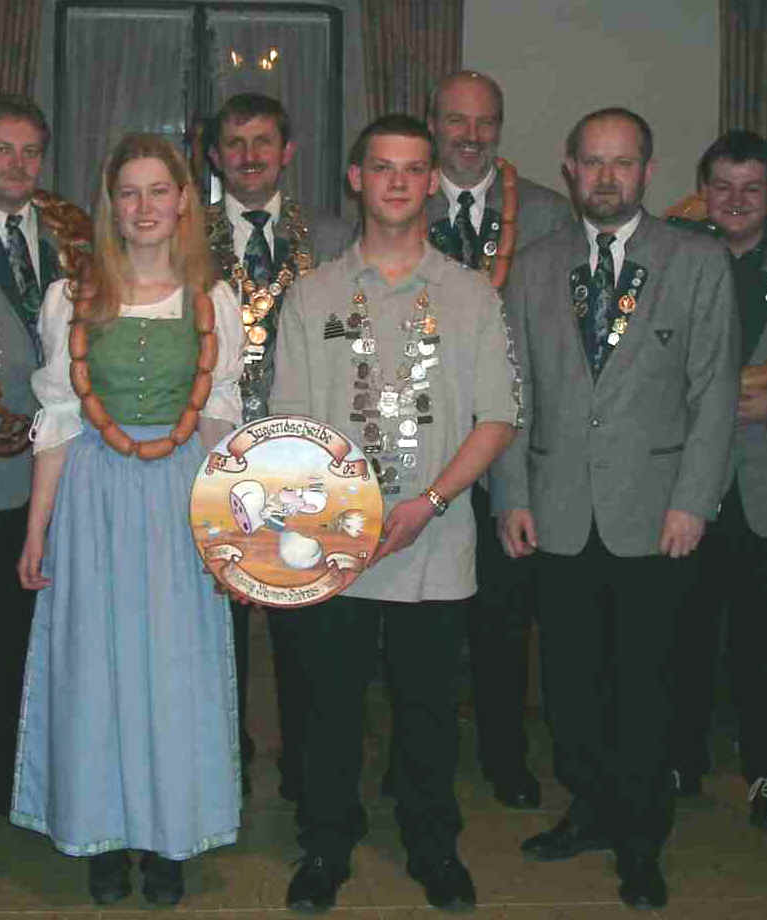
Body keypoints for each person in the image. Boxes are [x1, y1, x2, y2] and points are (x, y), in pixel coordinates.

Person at [270, 114, 521, 913]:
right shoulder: (311, 294)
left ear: (431, 183)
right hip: (332, 542)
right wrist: (340, 520)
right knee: (328, 709)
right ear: (356, 178)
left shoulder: (471, 294)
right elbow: (291, 425)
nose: (399, 182)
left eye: (414, 168)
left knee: (428, 712)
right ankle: (325, 843)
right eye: (383, 167)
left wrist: (430, 503)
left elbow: (498, 416)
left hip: (434, 538)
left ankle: (432, 843)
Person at [493, 107, 739, 910]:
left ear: (648, 170)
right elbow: (514, 393)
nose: (606, 177)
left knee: (644, 689)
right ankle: (591, 808)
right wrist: (512, 495)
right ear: (569, 168)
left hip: (656, 516)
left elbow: (714, 393)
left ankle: (641, 839)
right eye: (592, 162)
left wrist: (694, 501)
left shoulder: (696, 261)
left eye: (622, 162)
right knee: (570, 686)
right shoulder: (533, 266)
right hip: (558, 512)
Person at [12, 132, 243, 907]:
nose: (145, 207)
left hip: (180, 498)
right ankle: (101, 834)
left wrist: (227, 533)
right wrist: (37, 529)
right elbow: (58, 420)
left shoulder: (213, 302)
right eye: (129, 192)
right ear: (110, 204)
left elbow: (219, 426)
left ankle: (168, 837)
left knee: (175, 669)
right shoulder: (71, 299)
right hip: (94, 499)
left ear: (184, 203)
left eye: (159, 191)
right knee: (93, 667)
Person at [424, 69, 573, 811]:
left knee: (505, 619)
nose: (471, 136)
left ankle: (505, 755)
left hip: (511, 450)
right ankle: (420, 760)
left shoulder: (545, 213)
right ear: (433, 125)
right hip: (421, 447)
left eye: (485, 122)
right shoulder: (399, 198)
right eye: (456, 120)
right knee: (425, 621)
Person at [666, 130, 767, 827]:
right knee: (683, 638)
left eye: (751, 188)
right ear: (703, 191)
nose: (736, 200)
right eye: (723, 186)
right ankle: (680, 760)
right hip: (683, 489)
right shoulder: (669, 256)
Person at [203, 91, 351, 801]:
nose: (250, 156)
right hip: (213, 452)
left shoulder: (332, 235)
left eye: (263, 141)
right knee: (215, 624)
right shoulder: (183, 233)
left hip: (304, 453)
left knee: (306, 626)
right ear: (214, 155)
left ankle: (307, 770)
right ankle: (219, 765)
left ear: (287, 152)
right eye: (235, 143)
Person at [0, 92, 83, 830]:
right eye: (1, 149)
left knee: (46, 649)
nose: (17, 164)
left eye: (30, 151)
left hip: (70, 475)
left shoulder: (74, 235)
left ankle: (28, 791)